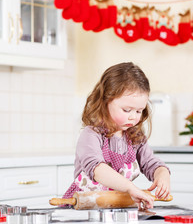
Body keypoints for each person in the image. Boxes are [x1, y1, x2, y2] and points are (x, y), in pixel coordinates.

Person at [63, 62, 170, 209]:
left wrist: (162, 175)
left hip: (116, 207)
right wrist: (130, 188)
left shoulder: (135, 138)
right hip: (84, 208)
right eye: (127, 110)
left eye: (139, 111)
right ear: (105, 102)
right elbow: (98, 170)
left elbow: (151, 163)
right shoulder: (91, 135)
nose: (133, 117)